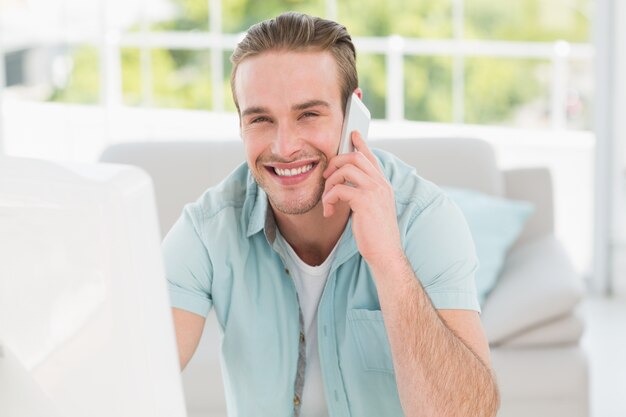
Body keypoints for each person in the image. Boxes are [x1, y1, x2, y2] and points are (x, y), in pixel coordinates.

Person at [163, 11, 500, 417]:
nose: (284, 147)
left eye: (308, 114)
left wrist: (389, 261)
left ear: (352, 113)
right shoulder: (207, 229)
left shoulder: (425, 219)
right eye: (260, 119)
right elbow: (137, 373)